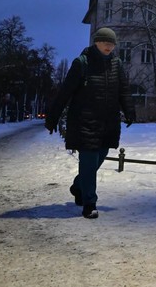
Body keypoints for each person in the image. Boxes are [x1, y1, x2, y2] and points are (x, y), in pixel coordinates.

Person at [45, 27, 136, 219]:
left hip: (108, 122)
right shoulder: (82, 63)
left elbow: (123, 91)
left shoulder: (116, 64)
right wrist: (52, 117)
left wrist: (129, 111)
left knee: (99, 158)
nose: (109, 46)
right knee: (88, 162)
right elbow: (65, 92)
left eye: (112, 44)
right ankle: (90, 203)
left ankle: (78, 186)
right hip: (85, 121)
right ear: (96, 42)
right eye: (105, 42)